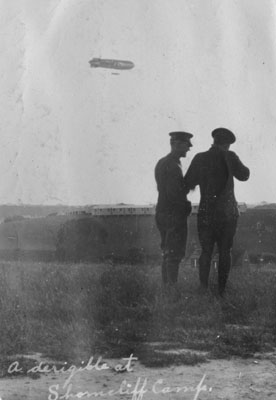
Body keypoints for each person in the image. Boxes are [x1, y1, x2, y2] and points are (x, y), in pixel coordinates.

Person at [184, 128, 250, 296]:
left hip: (206, 212)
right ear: (227, 143)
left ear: (213, 141)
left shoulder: (200, 158)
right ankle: (221, 291)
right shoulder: (230, 156)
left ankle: (203, 288)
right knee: (225, 251)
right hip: (228, 214)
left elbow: (188, 183)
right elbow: (244, 175)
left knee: (206, 251)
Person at [155, 131, 193, 290]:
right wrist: (186, 206)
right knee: (174, 252)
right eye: (186, 144)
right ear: (176, 144)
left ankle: (167, 287)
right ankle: (171, 288)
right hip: (173, 214)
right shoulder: (173, 165)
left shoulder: (163, 162)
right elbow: (174, 194)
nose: (190, 147)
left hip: (163, 212)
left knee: (167, 250)